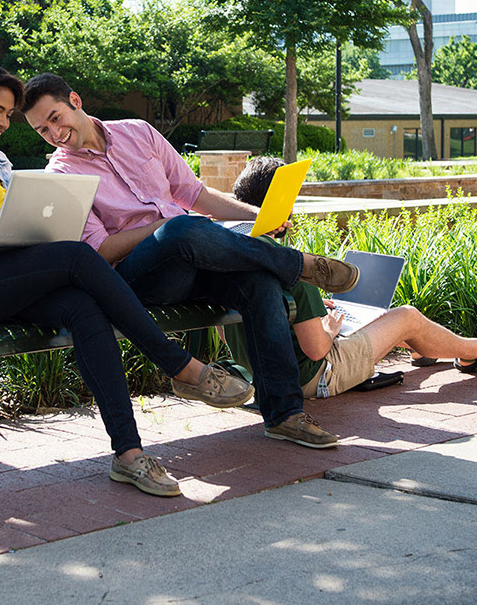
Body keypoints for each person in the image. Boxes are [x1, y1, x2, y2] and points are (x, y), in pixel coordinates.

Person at [0, 62, 254, 498]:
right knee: (75, 257)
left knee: (82, 307)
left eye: (8, 115)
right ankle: (177, 364)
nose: (2, 123)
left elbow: (23, 225)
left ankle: (128, 455)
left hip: (4, 275)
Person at [21, 72, 361, 450]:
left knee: (258, 285)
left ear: (75, 101)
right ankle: (299, 266)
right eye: (41, 130)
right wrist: (164, 225)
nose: (53, 133)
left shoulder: (139, 132)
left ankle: (284, 414)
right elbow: (99, 251)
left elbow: (192, 191)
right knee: (180, 230)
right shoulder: (62, 174)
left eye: (55, 118)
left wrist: (254, 213)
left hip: (193, 260)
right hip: (139, 278)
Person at [228, 156, 477, 399]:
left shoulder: (222, 254)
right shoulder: (292, 267)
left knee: (373, 317)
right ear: (279, 205)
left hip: (256, 374)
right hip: (310, 379)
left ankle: (424, 347)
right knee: (407, 317)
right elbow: (317, 350)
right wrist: (327, 329)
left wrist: (312, 312)